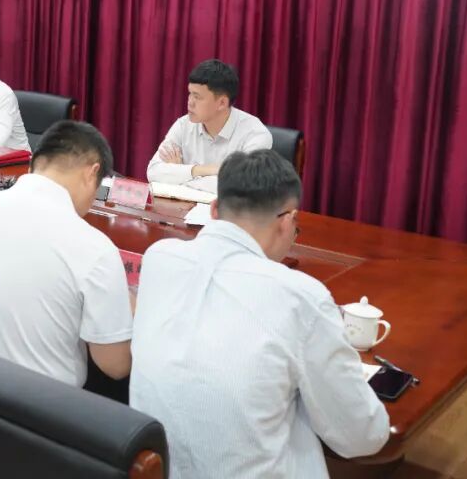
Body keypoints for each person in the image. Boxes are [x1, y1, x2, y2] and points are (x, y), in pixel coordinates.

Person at [130, 150, 390, 478]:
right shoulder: (301, 296)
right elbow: (363, 437)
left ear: (213, 210)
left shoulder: (159, 258)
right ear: (287, 221)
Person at [0, 120, 133, 386]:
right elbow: (115, 365)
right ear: (92, 173)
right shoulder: (94, 248)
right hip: (35, 407)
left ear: (34, 163)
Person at [146, 58, 272, 194]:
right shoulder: (183, 125)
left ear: (222, 103)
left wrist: (180, 173)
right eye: (190, 94)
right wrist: (203, 170)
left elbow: (239, 186)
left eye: (197, 97)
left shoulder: (255, 134)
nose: (190, 102)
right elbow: (153, 171)